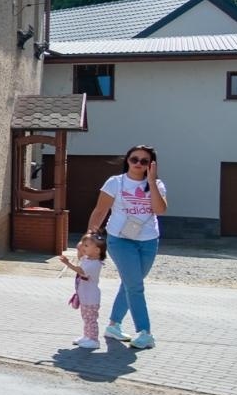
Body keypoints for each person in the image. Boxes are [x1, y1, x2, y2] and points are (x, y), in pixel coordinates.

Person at [86, 144, 167, 350]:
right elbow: (100, 211)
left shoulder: (157, 184)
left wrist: (151, 182)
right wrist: (90, 238)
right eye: (134, 159)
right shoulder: (115, 183)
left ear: (151, 165)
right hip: (120, 240)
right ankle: (145, 332)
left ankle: (113, 325)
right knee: (135, 286)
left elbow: (160, 210)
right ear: (127, 160)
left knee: (131, 283)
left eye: (144, 161)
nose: (138, 164)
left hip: (149, 241)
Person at [59, 231, 107, 351]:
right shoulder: (88, 259)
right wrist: (82, 244)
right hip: (85, 296)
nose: (83, 247)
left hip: (91, 297)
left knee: (91, 319)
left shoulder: (95, 264)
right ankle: (87, 336)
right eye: (84, 245)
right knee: (86, 318)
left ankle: (94, 340)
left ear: (97, 250)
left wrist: (67, 263)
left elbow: (80, 270)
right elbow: (80, 252)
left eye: (87, 245)